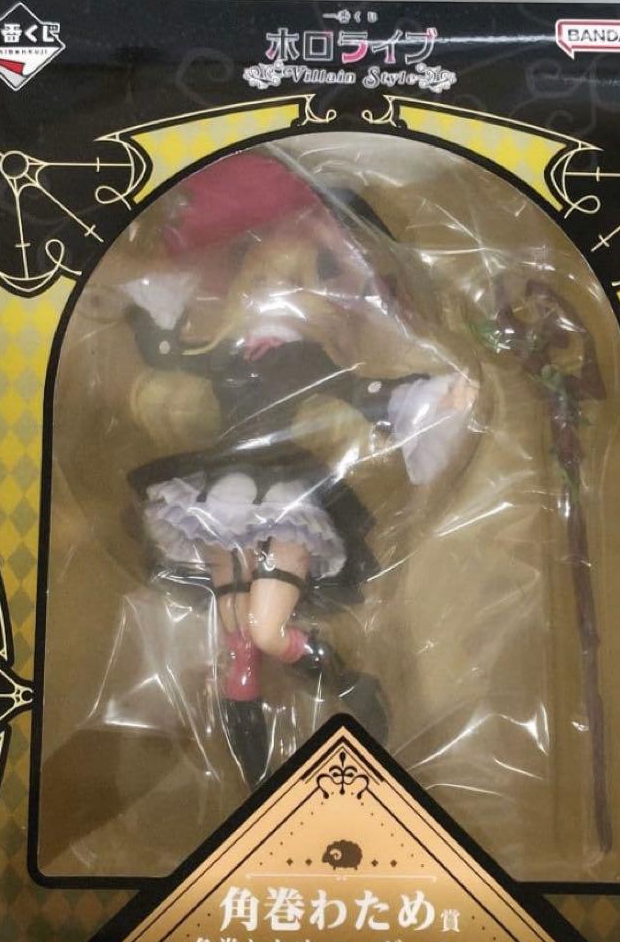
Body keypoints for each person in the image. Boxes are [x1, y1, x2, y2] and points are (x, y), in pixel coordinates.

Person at [120, 151, 476, 786]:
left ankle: (343, 678)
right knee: (237, 636)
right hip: (220, 488)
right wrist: (142, 290)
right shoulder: (225, 349)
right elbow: (168, 348)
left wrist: (432, 396)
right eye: (259, 275)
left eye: (288, 278)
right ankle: (249, 753)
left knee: (263, 627)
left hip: (286, 494)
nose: (267, 290)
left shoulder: (307, 356)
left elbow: (361, 393)